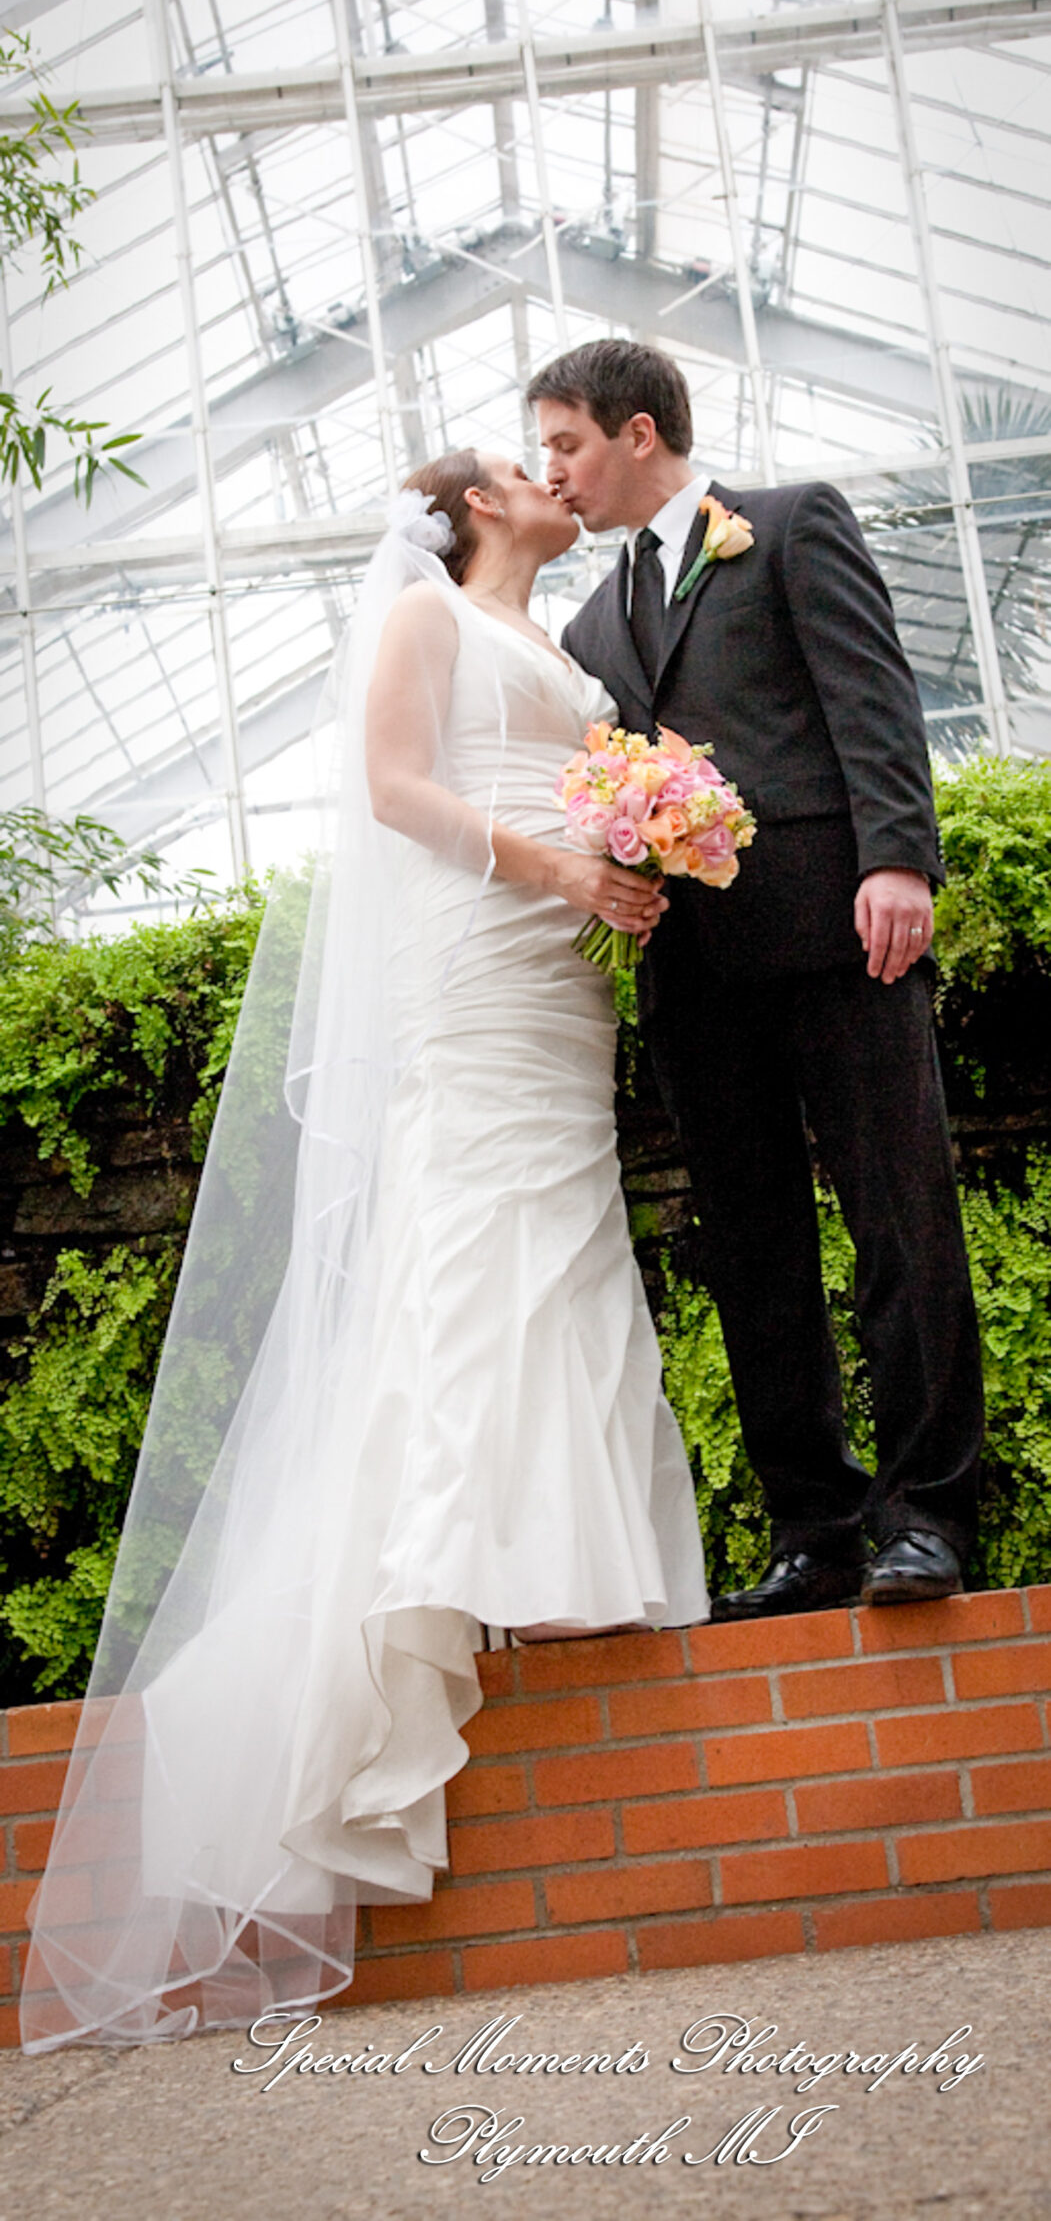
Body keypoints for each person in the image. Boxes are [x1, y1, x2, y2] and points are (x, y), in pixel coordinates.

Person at [20, 451, 707, 2055]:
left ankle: (555, 1563)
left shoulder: (566, 642)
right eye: (520, 467)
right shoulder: (424, 620)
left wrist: (643, 842)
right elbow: (395, 789)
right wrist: (557, 864)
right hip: (476, 952)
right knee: (470, 1239)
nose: (549, 476)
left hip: (558, 981)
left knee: (563, 1233)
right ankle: (431, 1579)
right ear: (467, 513)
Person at [527, 338, 984, 1621]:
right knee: (752, 1251)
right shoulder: (587, 624)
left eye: (565, 443)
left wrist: (897, 858)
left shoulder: (786, 527)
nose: (551, 471)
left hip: (842, 933)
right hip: (695, 975)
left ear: (636, 431)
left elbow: (871, 696)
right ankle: (814, 1531)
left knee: (899, 1218)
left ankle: (928, 1518)